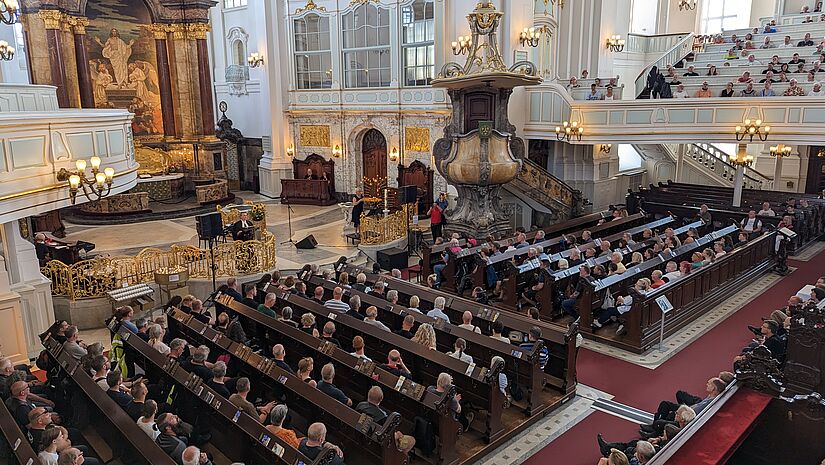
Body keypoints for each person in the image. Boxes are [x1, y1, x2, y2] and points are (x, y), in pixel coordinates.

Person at [356, 386, 416, 454]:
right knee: (412, 440)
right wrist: (398, 435)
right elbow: (388, 435)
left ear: (368, 395)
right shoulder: (382, 416)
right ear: (381, 399)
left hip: (361, 434)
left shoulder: (360, 405)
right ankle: (399, 457)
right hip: (379, 442)